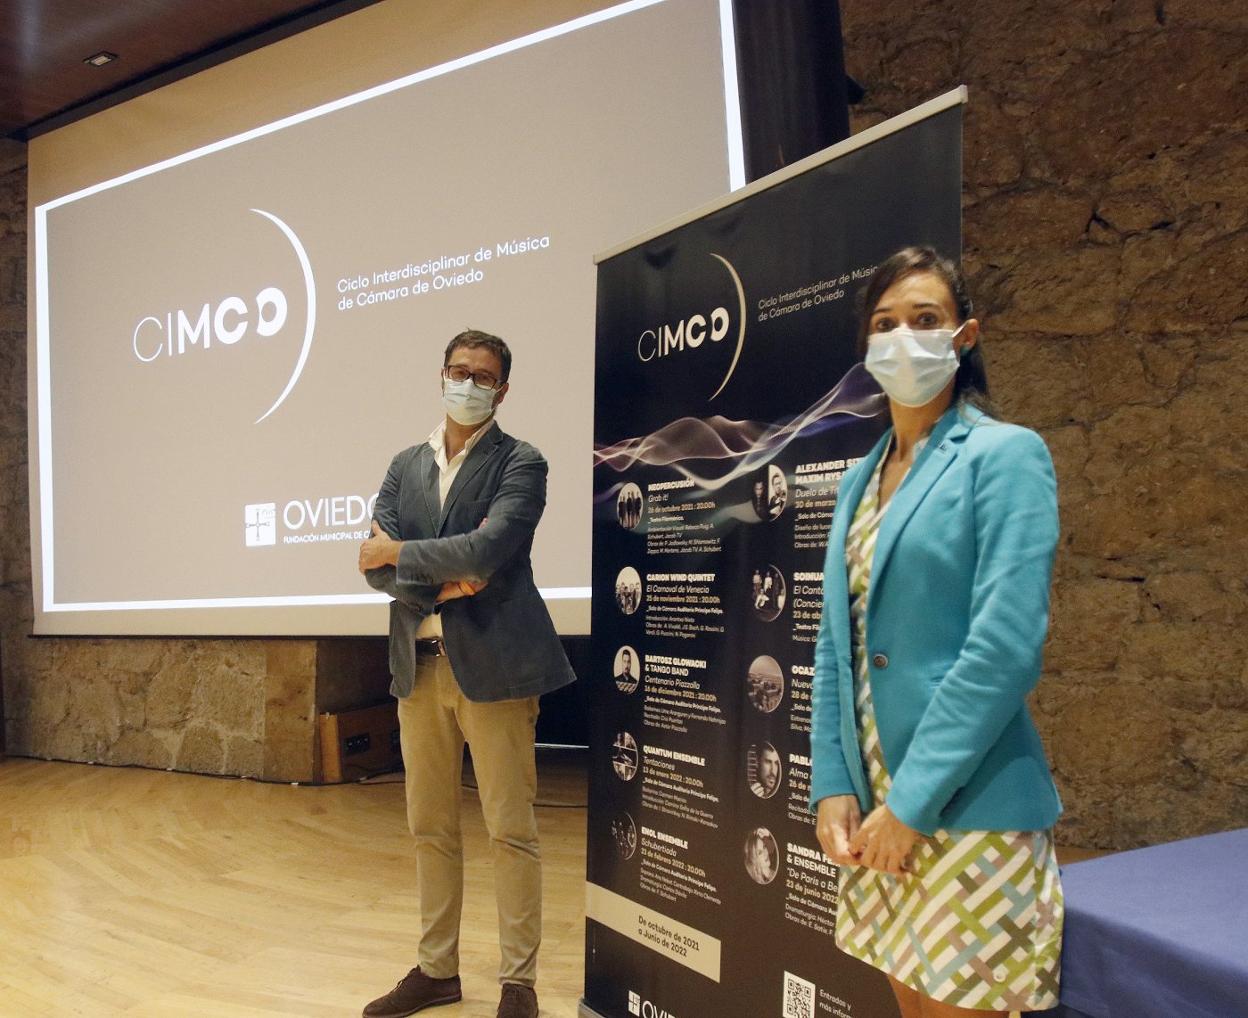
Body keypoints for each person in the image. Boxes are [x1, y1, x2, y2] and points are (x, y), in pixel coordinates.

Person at [810, 247, 1063, 1017]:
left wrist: (911, 805)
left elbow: (1004, 649)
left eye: (925, 320)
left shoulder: (1006, 455)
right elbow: (835, 646)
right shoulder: (858, 478)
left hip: (962, 802)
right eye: (884, 325)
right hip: (870, 808)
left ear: (965, 336)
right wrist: (831, 784)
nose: (902, 338)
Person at [358, 329, 575, 1018]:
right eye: (459, 371)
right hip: (416, 671)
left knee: (510, 831)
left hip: (499, 670)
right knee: (431, 828)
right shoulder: (403, 465)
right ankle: (436, 970)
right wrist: (448, 584)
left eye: (484, 376)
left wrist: (407, 557)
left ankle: (519, 982)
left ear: (502, 390)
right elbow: (373, 564)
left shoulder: (522, 462)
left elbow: (489, 546)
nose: (470, 384)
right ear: (441, 375)